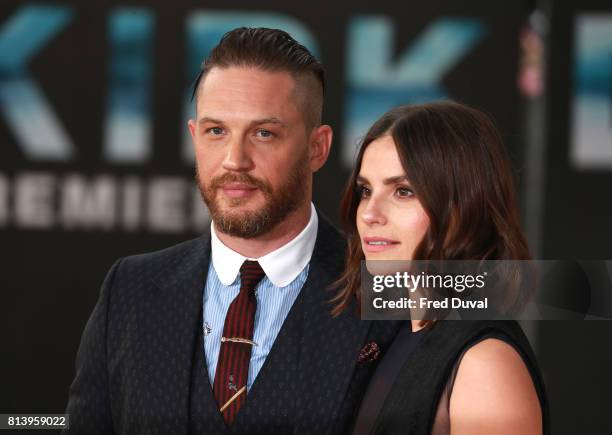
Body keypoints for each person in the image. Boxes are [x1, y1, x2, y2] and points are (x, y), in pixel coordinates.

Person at [64, 27, 402, 434]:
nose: (234, 160)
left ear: (318, 147)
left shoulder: (391, 285)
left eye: (264, 133)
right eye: (216, 131)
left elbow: (495, 297)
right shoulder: (130, 288)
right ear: (194, 136)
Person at [332, 102, 549, 435]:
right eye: (365, 190)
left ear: (465, 205)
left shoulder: (484, 364)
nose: (369, 214)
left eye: (403, 192)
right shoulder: (394, 335)